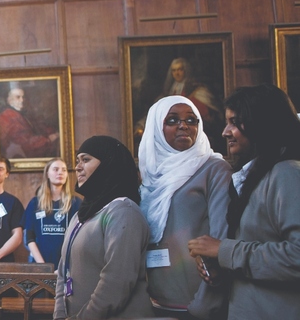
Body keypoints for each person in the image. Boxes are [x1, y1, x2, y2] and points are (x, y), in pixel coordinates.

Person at [188, 85, 300, 320]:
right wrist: (221, 269)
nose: (225, 132)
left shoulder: (286, 174)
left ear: (262, 123)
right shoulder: (256, 176)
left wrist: (223, 249)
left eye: (235, 122)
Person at [138, 96, 231, 320]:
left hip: (197, 305)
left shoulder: (214, 168)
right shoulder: (150, 174)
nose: (183, 125)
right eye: (172, 120)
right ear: (156, 128)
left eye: (192, 120)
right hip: (155, 304)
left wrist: (203, 305)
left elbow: (222, 238)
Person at [54, 136, 153, 320]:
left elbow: (116, 282)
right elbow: (63, 272)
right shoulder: (80, 215)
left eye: (86, 159)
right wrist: (60, 315)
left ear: (108, 164)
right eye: (77, 161)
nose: (77, 167)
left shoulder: (123, 211)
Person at [23, 158, 81, 268]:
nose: (60, 172)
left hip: (68, 266)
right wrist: (44, 267)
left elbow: (80, 237)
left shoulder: (76, 203)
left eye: (64, 170)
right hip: (40, 265)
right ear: (47, 174)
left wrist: (64, 267)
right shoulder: (35, 203)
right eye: (56, 169)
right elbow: (29, 238)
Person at [0, 87, 59, 159]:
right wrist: (48, 139)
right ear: (9, 100)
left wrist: (54, 132)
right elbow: (23, 142)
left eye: (23, 97)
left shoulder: (24, 114)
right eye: (18, 97)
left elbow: (38, 127)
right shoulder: (6, 116)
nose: (22, 100)